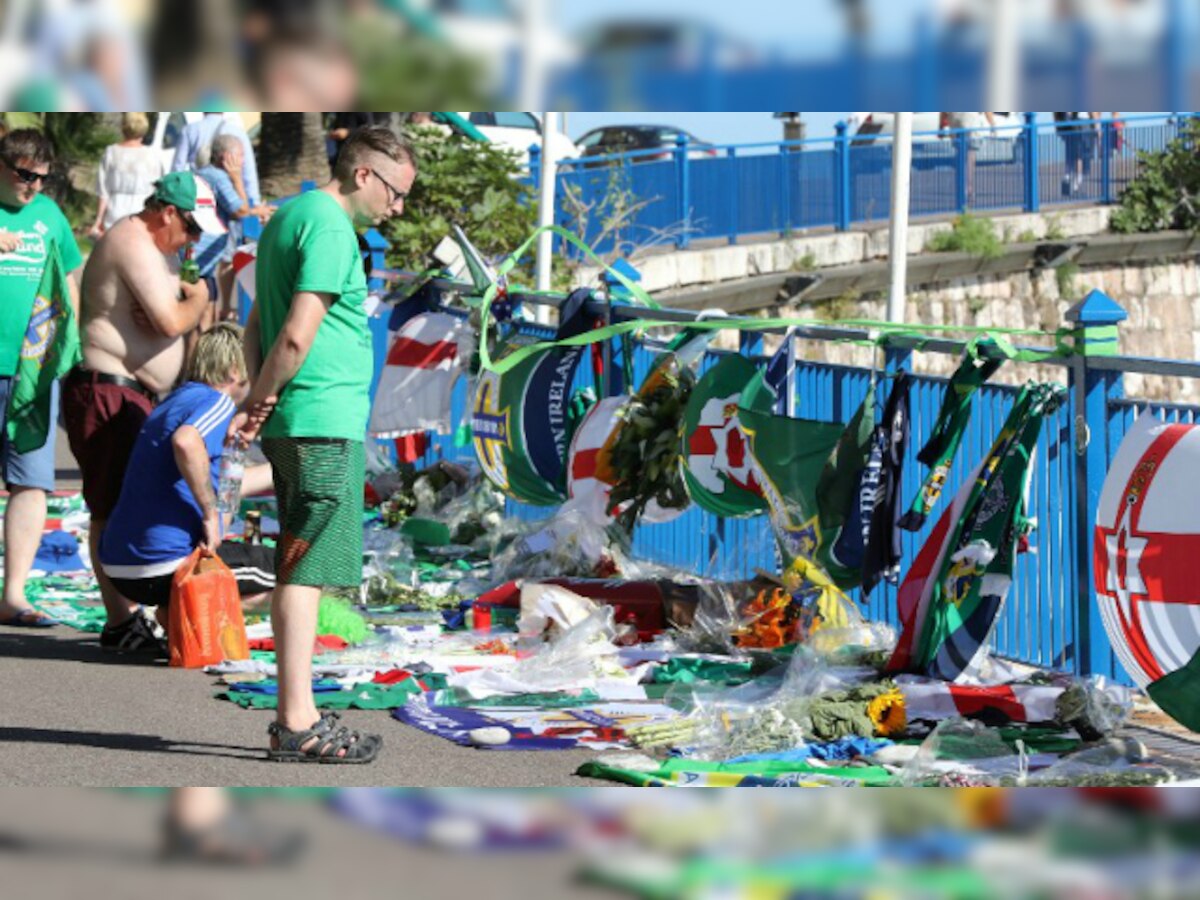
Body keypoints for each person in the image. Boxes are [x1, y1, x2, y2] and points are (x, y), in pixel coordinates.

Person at [236, 126, 415, 763]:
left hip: (298, 414)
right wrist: (260, 400)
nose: (397, 208)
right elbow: (294, 334)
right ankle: (297, 720)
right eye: (396, 193)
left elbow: (257, 318)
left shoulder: (289, 216)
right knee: (304, 571)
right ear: (364, 174)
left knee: (298, 560)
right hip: (320, 416)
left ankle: (298, 713)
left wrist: (260, 400)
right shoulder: (335, 229)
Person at [63, 171, 225, 653]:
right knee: (108, 506)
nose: (194, 240)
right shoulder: (133, 241)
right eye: (192, 228)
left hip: (133, 392)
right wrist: (198, 300)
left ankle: (133, 616)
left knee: (128, 503)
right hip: (108, 389)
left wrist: (188, 306)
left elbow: (174, 320)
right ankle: (119, 621)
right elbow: (173, 319)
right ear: (167, 212)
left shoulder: (159, 252)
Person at [99, 323, 276, 627]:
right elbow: (186, 442)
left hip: (122, 567)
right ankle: (187, 610)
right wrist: (209, 513)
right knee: (296, 573)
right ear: (236, 369)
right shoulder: (217, 402)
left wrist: (286, 468)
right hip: (165, 563)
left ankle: (176, 614)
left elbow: (225, 484)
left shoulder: (176, 401)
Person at [0, 129, 84, 628]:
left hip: (33, 370)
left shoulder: (50, 215)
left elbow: (68, 281)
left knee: (30, 484)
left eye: (40, 178)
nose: (32, 186)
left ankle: (13, 595)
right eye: (23, 175)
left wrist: (73, 348)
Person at [195, 133, 273, 326]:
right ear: (227, 157)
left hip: (195, 252)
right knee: (205, 317)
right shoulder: (220, 178)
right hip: (201, 258)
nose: (244, 161)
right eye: (241, 155)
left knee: (204, 313)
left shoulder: (203, 172)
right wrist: (237, 179)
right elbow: (241, 210)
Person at [88, 112, 165, 239]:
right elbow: (157, 190)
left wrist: (99, 219)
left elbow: (103, 191)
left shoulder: (111, 152)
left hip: (115, 211)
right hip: (142, 212)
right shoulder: (153, 156)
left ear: (124, 127)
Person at [171, 113, 262, 209]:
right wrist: (254, 203)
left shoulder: (190, 130)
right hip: (231, 194)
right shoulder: (238, 132)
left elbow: (177, 168)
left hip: (200, 192)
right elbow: (249, 173)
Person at [1055, 112, 1101, 197]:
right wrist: (1098, 130)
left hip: (1073, 126)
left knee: (1072, 154)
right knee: (1080, 155)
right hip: (1082, 127)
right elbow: (1094, 114)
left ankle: (1069, 180)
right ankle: (1076, 184)